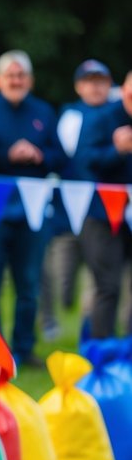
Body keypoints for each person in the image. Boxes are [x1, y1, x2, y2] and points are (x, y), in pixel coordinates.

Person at [0, 51, 63, 366]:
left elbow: (60, 156)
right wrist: (7, 155)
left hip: (34, 211)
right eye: (10, 75)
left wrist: (39, 155)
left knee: (29, 284)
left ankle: (24, 349)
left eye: (21, 75)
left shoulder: (44, 112)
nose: (16, 80)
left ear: (30, 80)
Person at [40, 59, 115, 337]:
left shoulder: (118, 113)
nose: (95, 87)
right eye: (89, 81)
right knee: (64, 283)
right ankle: (52, 320)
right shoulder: (69, 116)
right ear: (78, 86)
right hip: (67, 210)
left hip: (107, 210)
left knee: (100, 276)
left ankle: (90, 329)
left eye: (101, 81)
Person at [79, 68, 132, 336]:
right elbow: (85, 160)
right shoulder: (102, 118)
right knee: (107, 287)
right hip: (102, 215)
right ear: (123, 90)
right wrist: (117, 151)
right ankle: (102, 354)